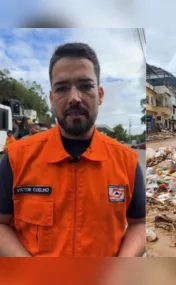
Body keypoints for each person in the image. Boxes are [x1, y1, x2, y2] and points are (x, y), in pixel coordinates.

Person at [0, 42, 145, 257]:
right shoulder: (15, 159)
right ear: (51, 99)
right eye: (62, 88)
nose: (74, 98)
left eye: (85, 86)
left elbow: (139, 224)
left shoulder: (127, 161)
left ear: (101, 94)